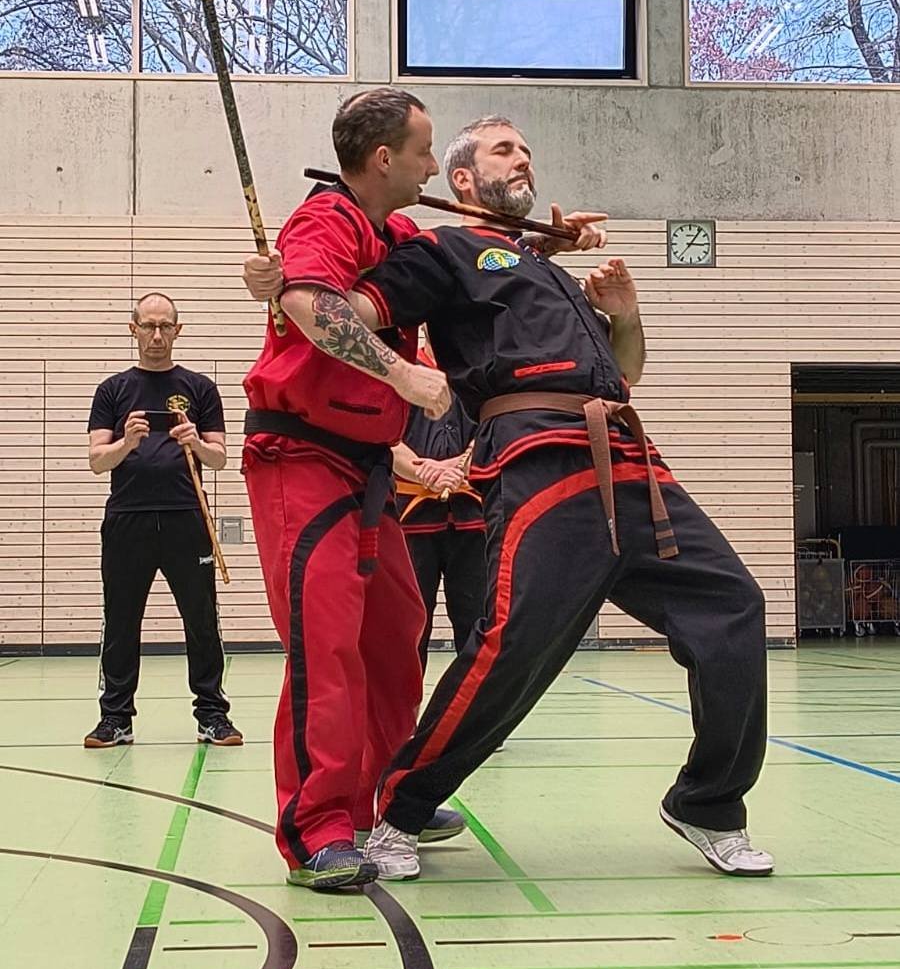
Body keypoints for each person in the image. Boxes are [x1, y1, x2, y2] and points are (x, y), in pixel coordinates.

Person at [246, 114, 772, 882]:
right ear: (456, 178)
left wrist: (620, 310)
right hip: (510, 457)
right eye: (502, 148)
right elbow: (334, 302)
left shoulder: (538, 267)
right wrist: (288, 290)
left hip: (623, 454)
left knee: (734, 607)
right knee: (485, 645)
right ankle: (377, 811)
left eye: (528, 146)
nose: (523, 155)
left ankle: (709, 800)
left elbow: (624, 373)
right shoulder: (426, 243)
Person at [241, 89, 466, 892]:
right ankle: (318, 825)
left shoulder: (395, 231)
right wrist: (406, 371)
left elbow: (459, 250)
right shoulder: (326, 220)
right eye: (423, 150)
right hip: (301, 463)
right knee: (326, 645)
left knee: (396, 631)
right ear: (382, 158)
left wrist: (554, 234)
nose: (432, 165)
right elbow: (305, 302)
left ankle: (382, 796)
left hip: (369, 469)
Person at [84, 292, 241, 750]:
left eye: (164, 326)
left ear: (178, 329)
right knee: (120, 620)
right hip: (127, 520)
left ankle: (212, 715)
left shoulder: (200, 388)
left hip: (187, 519)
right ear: (133, 330)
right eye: (147, 326)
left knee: (201, 620)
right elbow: (97, 461)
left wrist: (195, 440)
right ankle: (115, 718)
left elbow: (220, 458)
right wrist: (127, 443)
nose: (156, 335)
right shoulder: (112, 390)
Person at [391, 334, 486, 673]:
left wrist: (460, 466)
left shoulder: (479, 371)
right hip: (410, 518)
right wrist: (423, 471)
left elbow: (492, 427)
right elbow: (383, 436)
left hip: (473, 518)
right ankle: (403, 721)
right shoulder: (399, 367)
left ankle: (474, 719)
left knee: (478, 626)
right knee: (408, 628)